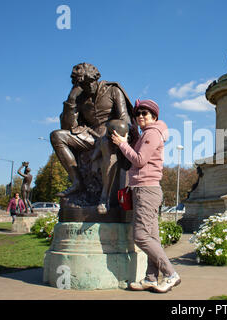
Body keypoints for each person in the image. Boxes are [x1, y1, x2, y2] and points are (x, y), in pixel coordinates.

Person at [111, 99, 181, 293]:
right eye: (138, 113)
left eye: (145, 113)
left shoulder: (152, 133)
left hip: (146, 189)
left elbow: (140, 160)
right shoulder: (146, 134)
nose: (140, 116)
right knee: (152, 237)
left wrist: (123, 145)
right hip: (144, 189)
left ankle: (170, 274)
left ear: (154, 116)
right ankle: (151, 278)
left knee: (141, 235)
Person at [50, 62, 135, 214]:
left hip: (110, 135)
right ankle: (77, 182)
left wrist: (115, 133)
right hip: (89, 135)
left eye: (88, 83)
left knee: (106, 143)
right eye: (82, 85)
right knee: (57, 136)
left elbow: (125, 119)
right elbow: (67, 126)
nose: (87, 88)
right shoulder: (79, 97)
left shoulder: (113, 90)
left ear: (95, 79)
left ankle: (104, 198)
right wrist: (71, 99)